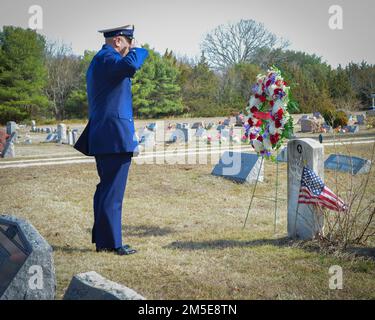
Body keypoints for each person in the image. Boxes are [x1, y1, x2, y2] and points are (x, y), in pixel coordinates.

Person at [74, 25, 149, 255]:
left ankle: (104, 239)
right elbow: (131, 65)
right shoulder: (108, 58)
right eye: (129, 42)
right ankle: (111, 243)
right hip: (113, 136)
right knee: (112, 191)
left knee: (107, 188)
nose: (130, 47)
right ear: (118, 41)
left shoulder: (102, 60)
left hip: (107, 135)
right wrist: (141, 50)